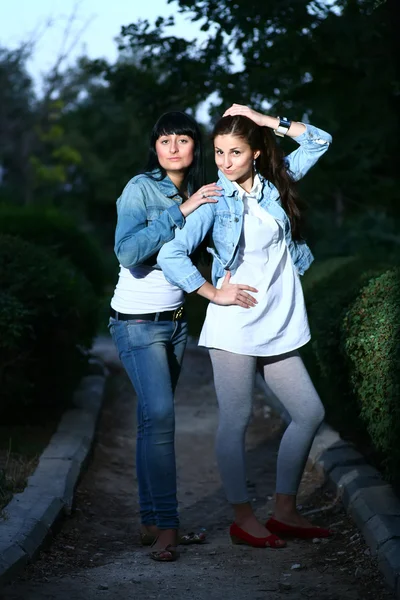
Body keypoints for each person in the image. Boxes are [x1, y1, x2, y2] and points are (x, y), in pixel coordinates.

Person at [157, 104, 333, 549]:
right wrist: (214, 293)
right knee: (236, 419)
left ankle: (284, 509)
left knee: (310, 413)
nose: (224, 162)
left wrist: (263, 118)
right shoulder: (215, 199)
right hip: (235, 325)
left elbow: (320, 140)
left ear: (255, 152)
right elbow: (170, 255)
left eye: (234, 152)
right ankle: (242, 517)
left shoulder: (275, 187)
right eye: (217, 152)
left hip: (278, 321)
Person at [109, 111, 257, 562]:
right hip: (136, 321)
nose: (173, 147)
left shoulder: (204, 189)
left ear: (196, 147)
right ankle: (169, 529)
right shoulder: (141, 188)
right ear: (155, 147)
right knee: (162, 418)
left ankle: (151, 520)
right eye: (164, 140)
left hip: (174, 323)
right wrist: (181, 210)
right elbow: (128, 251)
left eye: (183, 140)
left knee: (150, 423)